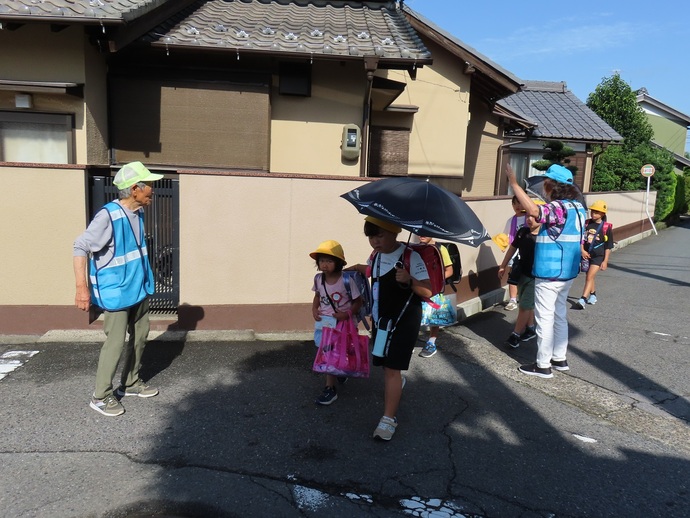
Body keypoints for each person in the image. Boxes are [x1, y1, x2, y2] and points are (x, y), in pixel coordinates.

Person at [74, 161, 164, 416]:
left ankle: (131, 383)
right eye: (150, 187)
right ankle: (100, 396)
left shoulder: (138, 213)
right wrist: (82, 288)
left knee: (140, 336)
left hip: (137, 288)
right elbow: (80, 247)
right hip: (117, 292)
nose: (153, 191)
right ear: (135, 189)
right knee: (115, 343)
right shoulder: (108, 215)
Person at [349, 216, 431, 441]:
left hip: (404, 321)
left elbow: (428, 291)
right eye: (371, 236)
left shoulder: (410, 257)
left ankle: (388, 419)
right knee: (385, 366)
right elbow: (372, 273)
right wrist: (356, 267)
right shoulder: (375, 256)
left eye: (380, 235)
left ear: (394, 232)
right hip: (381, 321)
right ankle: (397, 384)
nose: (375, 241)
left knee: (392, 369)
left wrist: (409, 280)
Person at [506, 163, 586, 378]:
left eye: (545, 183)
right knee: (559, 315)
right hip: (566, 272)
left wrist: (514, 184)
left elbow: (534, 211)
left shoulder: (559, 207)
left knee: (545, 317)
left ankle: (542, 365)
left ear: (552, 184)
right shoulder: (578, 208)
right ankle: (559, 359)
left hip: (549, 272)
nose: (543, 186)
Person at [310, 240, 362, 405]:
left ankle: (335, 381)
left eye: (329, 260)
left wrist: (346, 314)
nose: (324, 264)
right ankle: (334, 381)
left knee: (336, 352)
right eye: (322, 260)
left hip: (343, 324)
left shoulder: (346, 281)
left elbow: (358, 302)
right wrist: (314, 309)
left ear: (338, 262)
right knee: (327, 353)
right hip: (325, 323)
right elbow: (317, 295)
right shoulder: (319, 279)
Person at [498, 210, 541, 348]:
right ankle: (530, 328)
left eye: (534, 216)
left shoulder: (546, 235)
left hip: (536, 276)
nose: (529, 219)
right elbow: (512, 248)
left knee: (524, 306)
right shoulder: (522, 231)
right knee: (525, 302)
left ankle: (515, 335)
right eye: (528, 215)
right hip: (521, 272)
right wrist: (503, 265)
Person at [418, 235, 454, 358]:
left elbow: (449, 270)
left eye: (425, 232)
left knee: (435, 317)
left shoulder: (440, 249)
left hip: (435, 288)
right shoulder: (415, 248)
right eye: (420, 232)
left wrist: (436, 280)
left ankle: (431, 343)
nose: (422, 235)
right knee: (416, 314)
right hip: (418, 286)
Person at [576, 200, 613, 308]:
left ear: (602, 214)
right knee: (589, 276)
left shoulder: (606, 227)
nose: (593, 214)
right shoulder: (586, 223)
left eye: (596, 212)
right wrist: (582, 250)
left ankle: (582, 299)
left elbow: (608, 246)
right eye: (592, 211)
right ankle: (593, 295)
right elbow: (581, 239)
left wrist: (605, 261)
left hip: (598, 256)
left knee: (589, 277)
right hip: (586, 255)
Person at [502, 196, 527, 311]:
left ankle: (523, 297)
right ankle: (512, 300)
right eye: (515, 204)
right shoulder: (511, 220)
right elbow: (506, 236)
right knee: (512, 275)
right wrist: (503, 245)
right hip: (514, 251)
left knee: (525, 276)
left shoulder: (529, 218)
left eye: (520, 203)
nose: (517, 206)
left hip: (527, 251)